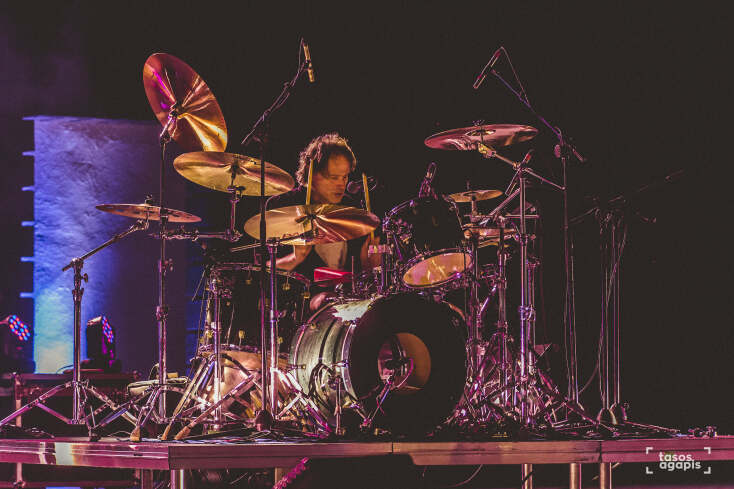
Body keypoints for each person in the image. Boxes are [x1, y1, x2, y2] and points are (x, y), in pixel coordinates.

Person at [267, 132, 380, 279]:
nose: (341, 184)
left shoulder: (352, 209)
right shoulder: (280, 207)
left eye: (344, 177)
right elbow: (260, 269)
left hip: (343, 292)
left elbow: (360, 275)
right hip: (300, 292)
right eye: (333, 177)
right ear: (312, 174)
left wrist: (369, 265)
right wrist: (295, 259)